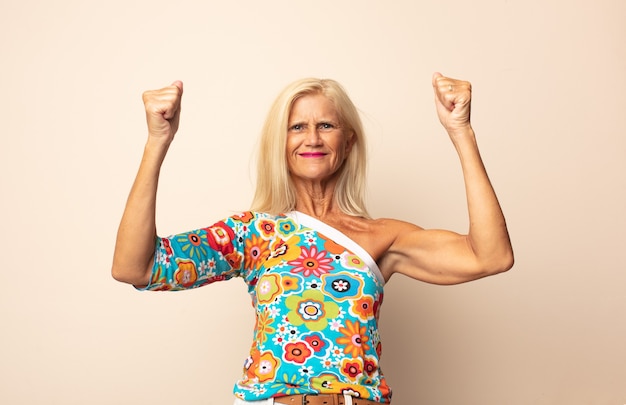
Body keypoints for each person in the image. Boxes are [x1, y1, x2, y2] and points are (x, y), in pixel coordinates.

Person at [112, 73, 514, 405]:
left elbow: (490, 256)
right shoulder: (255, 233)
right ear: (281, 143)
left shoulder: (382, 237)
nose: (313, 139)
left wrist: (461, 132)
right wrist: (156, 142)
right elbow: (137, 267)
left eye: (326, 125)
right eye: (297, 127)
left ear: (348, 140)